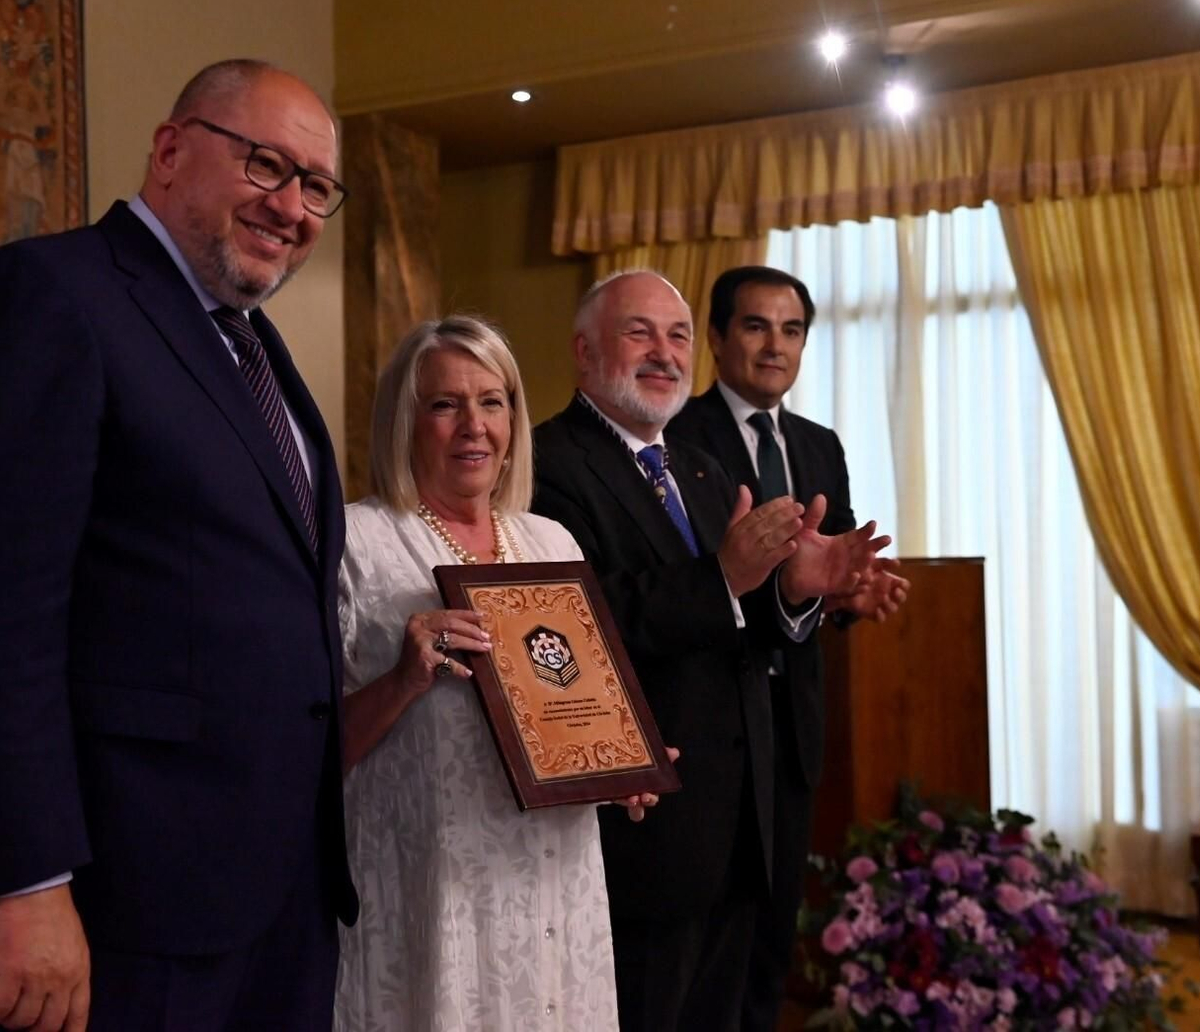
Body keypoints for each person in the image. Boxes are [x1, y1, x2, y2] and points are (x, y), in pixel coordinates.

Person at [0, 60, 356, 1032]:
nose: (291, 207)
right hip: (112, 905)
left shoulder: (253, 346)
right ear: (170, 150)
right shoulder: (46, 295)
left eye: (317, 186)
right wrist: (29, 880)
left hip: (271, 901)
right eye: (266, 164)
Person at [531, 270, 889, 1031]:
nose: (665, 353)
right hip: (645, 831)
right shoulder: (546, 465)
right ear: (584, 351)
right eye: (640, 333)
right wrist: (724, 575)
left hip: (740, 823)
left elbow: (743, 614)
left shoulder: (699, 468)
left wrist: (796, 588)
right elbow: (580, 627)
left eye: (678, 336)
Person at [336, 315, 649, 1031]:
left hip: (556, 881)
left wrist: (619, 762)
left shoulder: (552, 541)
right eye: (445, 404)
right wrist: (403, 679)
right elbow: (307, 753)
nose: (473, 426)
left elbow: (569, 705)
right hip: (433, 893)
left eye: (493, 401)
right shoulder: (356, 544)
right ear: (404, 421)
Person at [668, 264, 910, 1032]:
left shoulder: (818, 444)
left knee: (773, 936)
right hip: (710, 725)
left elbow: (827, 566)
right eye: (756, 325)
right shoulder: (676, 434)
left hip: (791, 728)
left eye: (792, 329)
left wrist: (850, 594)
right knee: (707, 951)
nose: (776, 345)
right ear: (716, 338)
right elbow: (691, 579)